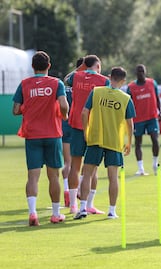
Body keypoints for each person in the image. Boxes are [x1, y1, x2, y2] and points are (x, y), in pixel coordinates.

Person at [12, 51, 69, 226]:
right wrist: (64, 116)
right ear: (49, 66)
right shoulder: (56, 83)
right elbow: (64, 105)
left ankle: (32, 213)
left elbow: (15, 110)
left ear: (32, 66)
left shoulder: (24, 84)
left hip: (32, 136)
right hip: (52, 135)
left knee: (33, 177)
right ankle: (55, 214)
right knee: (54, 177)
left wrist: (27, 108)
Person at [74, 67, 135, 219]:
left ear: (109, 77)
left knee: (87, 174)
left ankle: (82, 208)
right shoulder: (126, 98)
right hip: (114, 141)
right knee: (113, 177)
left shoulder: (96, 92)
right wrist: (129, 143)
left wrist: (85, 131)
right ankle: (112, 211)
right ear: (123, 81)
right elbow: (130, 124)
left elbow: (84, 112)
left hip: (95, 138)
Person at [66, 55, 110, 214]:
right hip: (95, 127)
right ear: (98, 65)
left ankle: (73, 205)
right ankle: (89, 204)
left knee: (75, 166)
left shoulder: (76, 77)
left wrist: (81, 67)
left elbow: (67, 79)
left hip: (77, 125)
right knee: (93, 168)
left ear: (85, 65)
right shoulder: (104, 81)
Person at [127, 64, 161, 176]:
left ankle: (155, 163)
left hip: (152, 117)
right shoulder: (131, 87)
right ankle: (140, 168)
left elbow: (157, 98)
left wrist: (160, 112)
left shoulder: (152, 83)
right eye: (139, 71)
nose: (141, 73)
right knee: (138, 143)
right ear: (136, 73)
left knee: (155, 140)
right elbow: (128, 103)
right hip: (138, 119)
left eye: (142, 71)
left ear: (145, 72)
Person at [62, 57, 85, 207]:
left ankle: (67, 192)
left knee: (68, 163)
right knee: (83, 164)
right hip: (78, 125)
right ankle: (79, 193)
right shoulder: (84, 86)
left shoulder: (65, 86)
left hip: (65, 126)